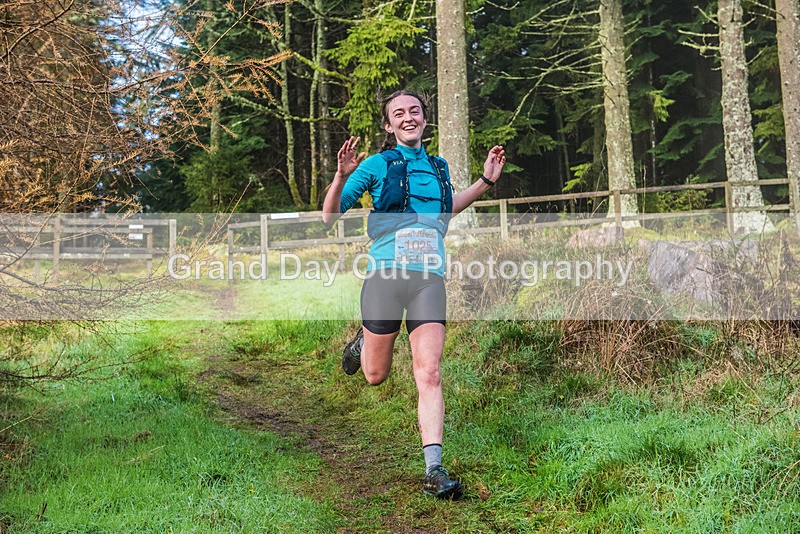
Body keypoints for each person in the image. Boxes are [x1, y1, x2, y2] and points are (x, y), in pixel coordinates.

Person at [322, 89, 506, 499]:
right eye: (399, 113)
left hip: (428, 280)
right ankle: (363, 344)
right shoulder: (374, 165)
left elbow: (445, 209)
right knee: (375, 375)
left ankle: (433, 469)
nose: (409, 117)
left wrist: (485, 181)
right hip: (385, 277)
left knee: (429, 371)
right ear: (388, 125)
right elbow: (329, 216)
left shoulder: (438, 167)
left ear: (424, 119)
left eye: (415, 111)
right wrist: (340, 176)